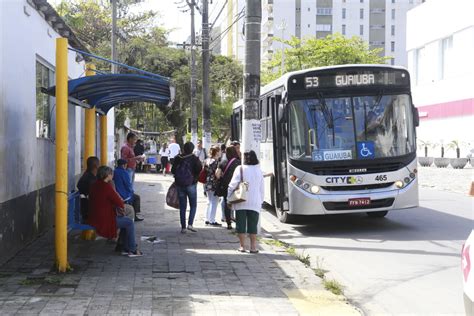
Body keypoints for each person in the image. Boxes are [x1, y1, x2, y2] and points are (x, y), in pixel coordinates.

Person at [88, 166, 143, 257]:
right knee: (129, 222)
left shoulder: (95, 185)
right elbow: (119, 202)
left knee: (126, 221)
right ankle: (132, 249)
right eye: (111, 174)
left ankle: (125, 246)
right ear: (108, 175)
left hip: (94, 216)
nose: (112, 175)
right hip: (104, 219)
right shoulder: (107, 187)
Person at [228, 150, 264, 253]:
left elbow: (232, 185)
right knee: (253, 225)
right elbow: (262, 189)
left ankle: (242, 246)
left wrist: (228, 198)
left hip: (241, 200)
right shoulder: (259, 171)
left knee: (241, 224)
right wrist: (260, 201)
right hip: (255, 201)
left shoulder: (240, 169)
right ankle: (253, 247)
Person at [171, 142, 202, 233]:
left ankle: (183, 227)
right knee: (193, 205)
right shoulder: (194, 158)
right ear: (192, 149)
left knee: (182, 206)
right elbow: (199, 169)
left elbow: (173, 170)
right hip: (191, 184)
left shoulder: (178, 158)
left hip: (180, 185)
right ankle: (190, 224)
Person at [215, 146, 241, 230]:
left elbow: (217, 175)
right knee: (238, 203)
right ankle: (239, 223)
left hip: (226, 185)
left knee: (227, 203)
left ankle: (229, 223)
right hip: (237, 186)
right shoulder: (238, 162)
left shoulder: (223, 162)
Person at [77, 156, 100, 221]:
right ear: (96, 166)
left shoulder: (86, 176)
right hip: (91, 213)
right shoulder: (91, 180)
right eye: (99, 164)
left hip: (86, 210)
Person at [204, 146, 222, 226]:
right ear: (217, 152)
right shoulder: (216, 162)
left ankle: (207, 219)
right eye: (219, 151)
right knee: (214, 202)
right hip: (214, 183)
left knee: (209, 201)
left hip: (207, 183)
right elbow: (217, 174)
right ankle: (212, 220)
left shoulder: (207, 161)